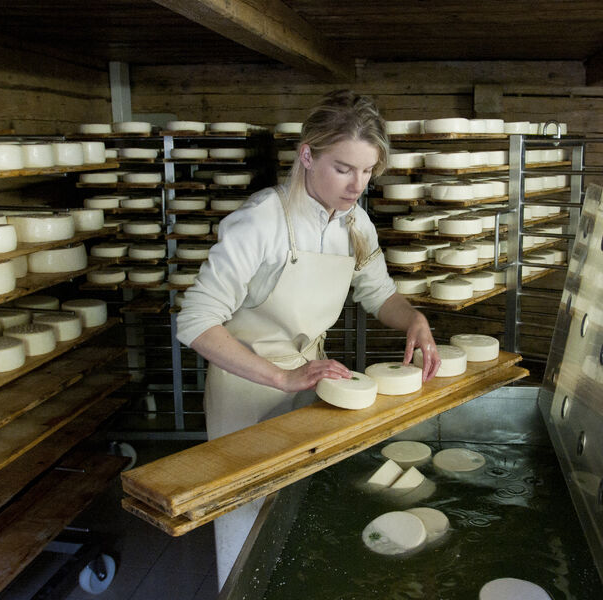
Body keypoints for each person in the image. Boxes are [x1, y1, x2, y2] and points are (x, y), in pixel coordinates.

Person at [175, 90, 441, 589]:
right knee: (247, 525)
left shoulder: (355, 223)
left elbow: (378, 291)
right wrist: (281, 375)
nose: (357, 185)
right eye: (344, 168)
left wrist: (412, 319)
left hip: (312, 383)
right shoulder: (261, 221)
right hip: (247, 390)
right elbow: (195, 321)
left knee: (295, 515)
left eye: (367, 172)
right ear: (307, 155)